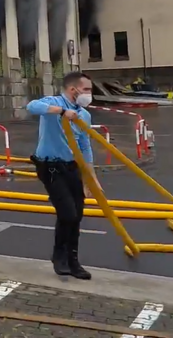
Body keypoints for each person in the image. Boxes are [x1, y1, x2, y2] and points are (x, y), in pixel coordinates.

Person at [26, 71, 101, 280]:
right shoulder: (54, 102)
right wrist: (61, 112)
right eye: (86, 89)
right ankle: (59, 256)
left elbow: (85, 147)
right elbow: (32, 107)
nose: (89, 94)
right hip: (50, 167)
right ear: (73, 89)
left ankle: (73, 261)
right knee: (67, 212)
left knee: (77, 215)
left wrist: (90, 178)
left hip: (72, 167)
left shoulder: (84, 115)